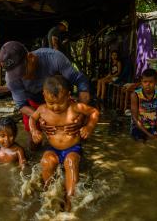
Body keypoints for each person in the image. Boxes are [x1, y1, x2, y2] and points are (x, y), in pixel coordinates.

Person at [0, 41, 90, 150]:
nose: (22, 76)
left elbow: (81, 81)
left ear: (30, 57)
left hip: (61, 101)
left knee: (76, 137)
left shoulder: (54, 58)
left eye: (23, 71)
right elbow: (22, 105)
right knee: (34, 145)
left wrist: (80, 114)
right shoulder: (11, 79)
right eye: (17, 74)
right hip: (34, 103)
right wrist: (41, 118)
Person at [29, 75, 99, 211]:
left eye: (60, 103)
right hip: (52, 148)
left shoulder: (75, 108)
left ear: (68, 95)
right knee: (46, 162)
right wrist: (34, 131)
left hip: (72, 148)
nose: (55, 107)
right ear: (44, 96)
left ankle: (69, 198)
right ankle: (50, 194)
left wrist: (89, 127)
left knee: (71, 162)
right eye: (51, 103)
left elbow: (94, 112)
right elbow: (32, 118)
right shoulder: (43, 109)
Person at [130, 68, 157, 140]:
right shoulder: (135, 95)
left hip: (153, 126)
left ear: (156, 82)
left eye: (151, 82)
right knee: (140, 142)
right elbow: (135, 118)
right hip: (138, 127)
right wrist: (149, 134)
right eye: (145, 82)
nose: (147, 84)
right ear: (141, 82)